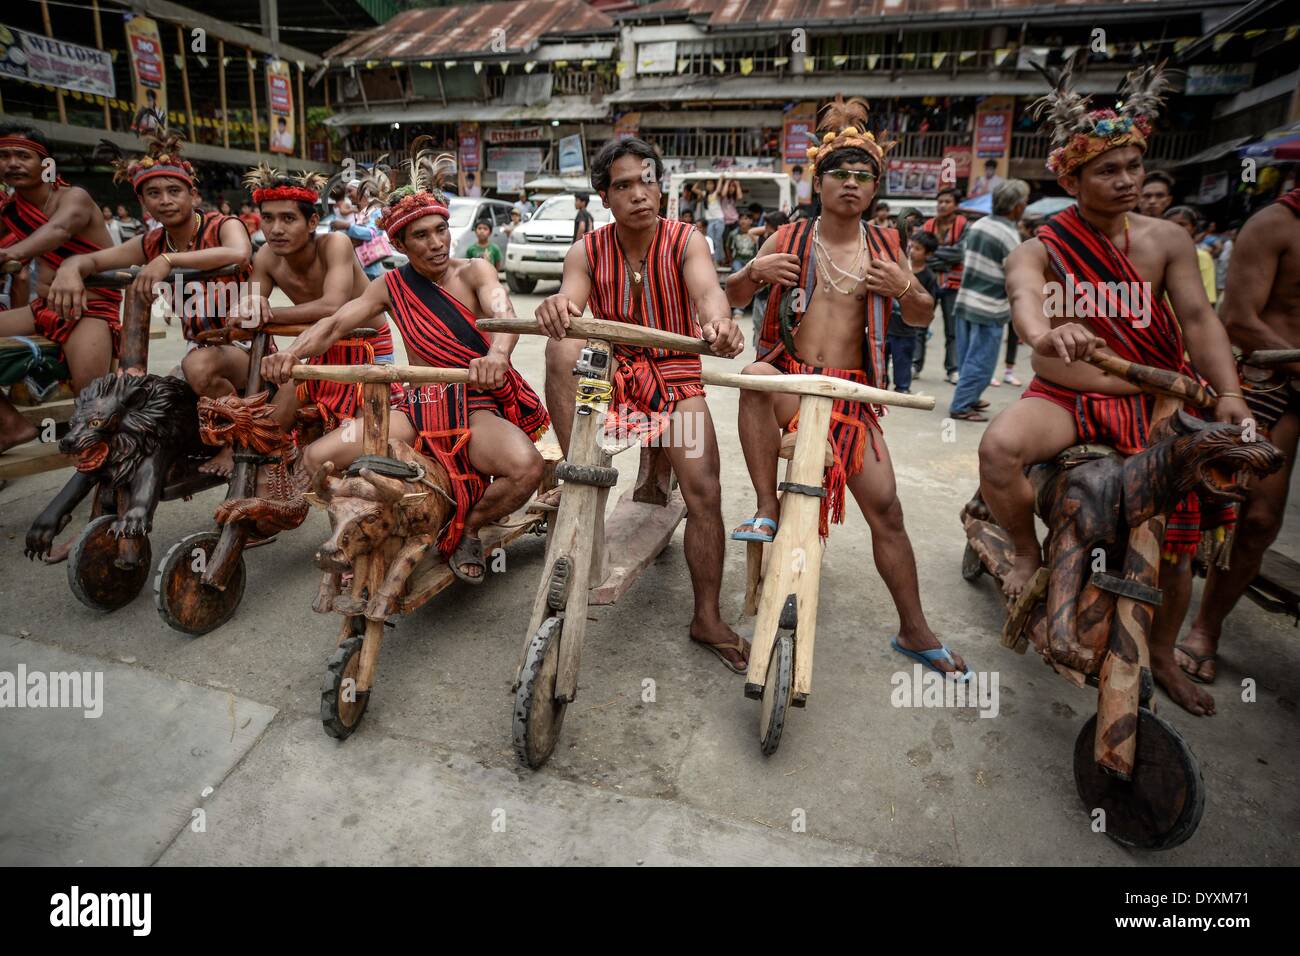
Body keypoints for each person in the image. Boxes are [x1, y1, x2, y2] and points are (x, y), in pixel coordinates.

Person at [980, 64, 1248, 716]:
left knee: (1173, 545)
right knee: (998, 447)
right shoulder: (1040, 247)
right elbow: (1025, 303)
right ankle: (1022, 551)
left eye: (1133, 165)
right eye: (1108, 170)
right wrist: (1044, 336)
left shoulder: (1169, 241)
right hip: (1068, 401)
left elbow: (1200, 321)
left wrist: (1231, 395)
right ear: (1070, 180)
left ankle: (1161, 655)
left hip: (1152, 400)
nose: (1127, 179)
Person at [726, 96, 967, 679]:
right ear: (819, 181)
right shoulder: (787, 236)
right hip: (792, 380)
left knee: (888, 511)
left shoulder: (887, 247)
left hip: (854, 397)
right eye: (841, 173)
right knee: (754, 376)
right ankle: (765, 508)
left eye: (864, 176)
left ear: (875, 187)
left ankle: (915, 630)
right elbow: (730, 298)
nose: (852, 184)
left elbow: (921, 318)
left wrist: (907, 287)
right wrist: (754, 273)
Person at [261, 143, 548, 584]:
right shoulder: (390, 285)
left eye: (440, 230)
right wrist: (290, 355)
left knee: (526, 467)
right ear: (398, 242)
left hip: (474, 405)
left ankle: (470, 528)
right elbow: (334, 324)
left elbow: (503, 314)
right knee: (317, 457)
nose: (435, 243)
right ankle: (351, 539)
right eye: (421, 235)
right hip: (419, 405)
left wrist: (497, 354)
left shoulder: (475, 271)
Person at [536, 137, 748, 672]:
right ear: (604, 197)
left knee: (704, 491)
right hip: (612, 374)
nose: (639, 194)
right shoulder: (587, 249)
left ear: (660, 185)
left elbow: (709, 295)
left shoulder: (687, 240)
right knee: (561, 345)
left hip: (674, 376)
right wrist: (560, 306)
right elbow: (571, 300)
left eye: (646, 181)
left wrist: (718, 322)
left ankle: (707, 617)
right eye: (624, 185)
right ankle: (578, 472)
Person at [49, 127, 252, 478]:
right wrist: (70, 266)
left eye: (175, 191)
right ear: (142, 202)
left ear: (193, 194)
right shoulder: (152, 242)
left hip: (245, 346)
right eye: (153, 193)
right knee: (147, 398)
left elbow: (239, 251)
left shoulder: (222, 224)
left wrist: (170, 262)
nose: (165, 200)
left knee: (197, 366)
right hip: (198, 348)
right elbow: (95, 260)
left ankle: (234, 444)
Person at [1176, 185, 1300, 688]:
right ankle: (1205, 630)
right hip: (1269, 383)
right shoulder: (1275, 224)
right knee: (1254, 517)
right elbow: (1238, 320)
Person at [229, 162, 395, 489]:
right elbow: (246, 313)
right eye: (269, 218)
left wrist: (267, 312)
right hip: (317, 347)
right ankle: (265, 495)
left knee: (370, 444)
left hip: (367, 350)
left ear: (313, 222)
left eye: (288, 218)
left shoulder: (335, 243)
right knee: (269, 426)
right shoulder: (264, 258)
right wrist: (248, 305)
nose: (276, 228)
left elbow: (333, 306)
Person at [0, 125, 123, 455]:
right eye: (4, 156)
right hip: (41, 310)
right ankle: (11, 425)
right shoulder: (10, 209)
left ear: (47, 165)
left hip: (90, 310)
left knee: (91, 408)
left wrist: (10, 255)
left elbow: (59, 229)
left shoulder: (74, 197)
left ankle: (108, 473)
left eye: (23, 156)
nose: (12, 163)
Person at [947, 180, 1028, 421]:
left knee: (966, 358)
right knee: (981, 362)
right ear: (1015, 207)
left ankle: (969, 397)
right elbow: (1015, 276)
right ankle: (961, 405)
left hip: (966, 299)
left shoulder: (978, 225)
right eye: (1023, 203)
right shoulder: (1010, 236)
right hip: (989, 306)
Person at [919, 187, 969, 383]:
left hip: (952, 283)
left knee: (952, 329)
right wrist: (946, 257)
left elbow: (961, 253)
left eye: (947, 202)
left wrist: (934, 254)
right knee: (920, 323)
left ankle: (952, 369)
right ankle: (915, 364)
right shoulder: (928, 224)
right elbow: (920, 251)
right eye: (940, 201)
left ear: (956, 205)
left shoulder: (963, 224)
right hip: (928, 280)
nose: (942, 205)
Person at [886, 231, 940, 394]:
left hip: (907, 329)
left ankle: (902, 388)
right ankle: (880, 385)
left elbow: (930, 303)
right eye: (911, 246)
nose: (912, 250)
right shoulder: (897, 269)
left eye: (918, 248)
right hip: (888, 325)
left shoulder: (928, 276)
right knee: (881, 358)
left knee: (903, 359)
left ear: (928, 254)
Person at [1165, 205, 1216, 305]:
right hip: (1154, 318)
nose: (1175, 228)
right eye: (1169, 224)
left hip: (1182, 319)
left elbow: (1208, 300)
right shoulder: (1153, 256)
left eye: (1182, 224)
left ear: (1193, 228)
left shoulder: (1201, 257)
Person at [701, 178, 726, 264]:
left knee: (718, 240)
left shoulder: (716, 193)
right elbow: (694, 189)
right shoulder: (704, 194)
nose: (709, 185)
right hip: (710, 221)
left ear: (714, 185)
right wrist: (700, 179)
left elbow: (718, 189)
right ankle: (713, 259)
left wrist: (721, 178)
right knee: (711, 240)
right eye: (707, 184)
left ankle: (719, 259)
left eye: (711, 184)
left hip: (719, 219)